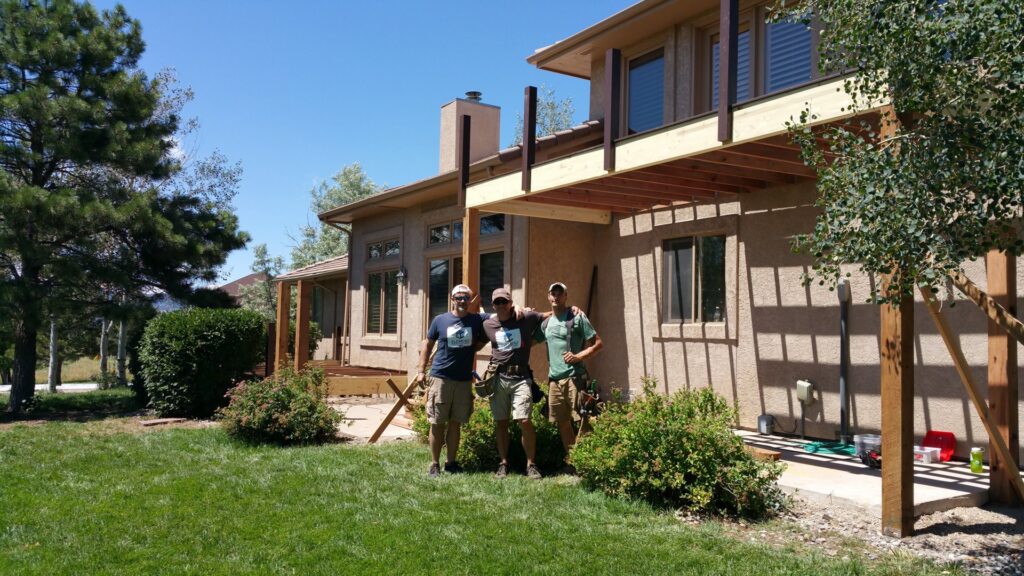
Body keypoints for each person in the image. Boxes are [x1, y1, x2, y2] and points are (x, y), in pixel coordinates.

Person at [417, 284, 489, 477]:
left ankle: (451, 462)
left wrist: (521, 310)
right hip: (441, 377)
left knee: (456, 422)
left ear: (470, 300)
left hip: (464, 380)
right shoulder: (440, 320)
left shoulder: (476, 320)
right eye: (459, 297)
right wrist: (421, 371)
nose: (462, 301)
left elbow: (502, 316)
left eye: (466, 297)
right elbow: (427, 344)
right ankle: (434, 463)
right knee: (437, 422)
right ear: (452, 299)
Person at [481, 287, 547, 479]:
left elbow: (548, 315)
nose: (501, 305)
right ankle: (503, 463)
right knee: (501, 422)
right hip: (499, 379)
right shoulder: (488, 323)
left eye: (505, 302)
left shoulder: (525, 318)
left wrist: (573, 310)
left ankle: (531, 465)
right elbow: (468, 315)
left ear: (510, 303)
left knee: (524, 420)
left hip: (521, 378)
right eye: (497, 302)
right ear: (493, 305)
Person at [541, 282, 603, 469]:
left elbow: (598, 343)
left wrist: (578, 356)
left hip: (575, 378)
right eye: (553, 293)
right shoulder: (545, 323)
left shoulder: (577, 318)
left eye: (560, 293)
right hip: (554, 380)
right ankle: (573, 461)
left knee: (584, 420)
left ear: (566, 296)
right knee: (563, 422)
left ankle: (585, 462)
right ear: (549, 296)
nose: (556, 296)